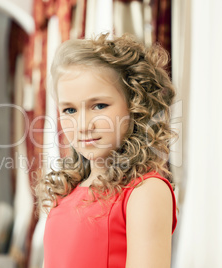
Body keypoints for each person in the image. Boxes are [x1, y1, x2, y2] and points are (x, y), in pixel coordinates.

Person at [35, 33, 178, 268]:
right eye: (69, 110)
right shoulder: (68, 191)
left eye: (99, 106)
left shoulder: (145, 191)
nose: (82, 125)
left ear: (134, 105)